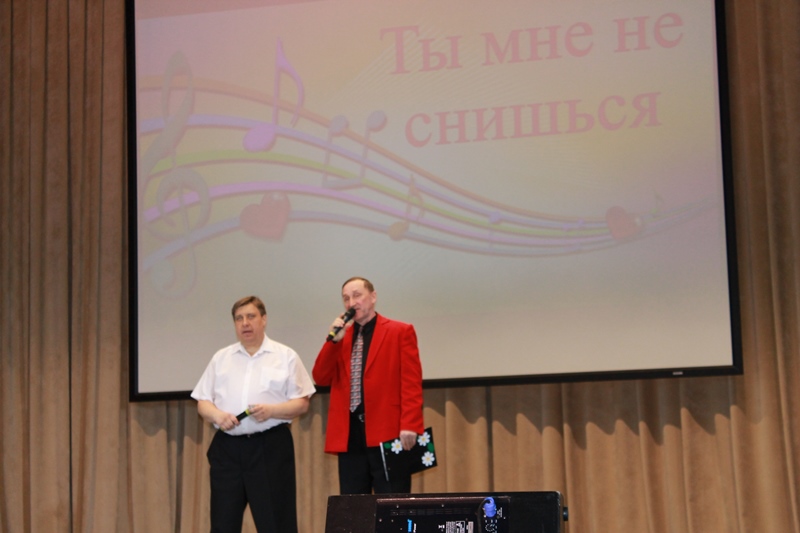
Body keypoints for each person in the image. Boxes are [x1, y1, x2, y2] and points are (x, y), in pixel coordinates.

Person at [191, 295, 315, 533]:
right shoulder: (221, 358)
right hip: (227, 450)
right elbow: (202, 402)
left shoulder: (285, 356)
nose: (245, 323)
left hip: (270, 448)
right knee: (223, 524)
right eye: (239, 318)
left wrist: (272, 411)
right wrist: (217, 416)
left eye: (251, 316)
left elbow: (302, 403)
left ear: (264, 319)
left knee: (276, 524)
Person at [313, 277, 424, 494]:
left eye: (357, 295)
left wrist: (410, 424)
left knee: (392, 503)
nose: (351, 303)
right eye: (346, 298)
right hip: (350, 435)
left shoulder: (400, 331)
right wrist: (333, 342)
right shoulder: (341, 337)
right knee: (354, 506)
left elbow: (411, 382)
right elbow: (320, 377)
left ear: (373, 297)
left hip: (389, 432)